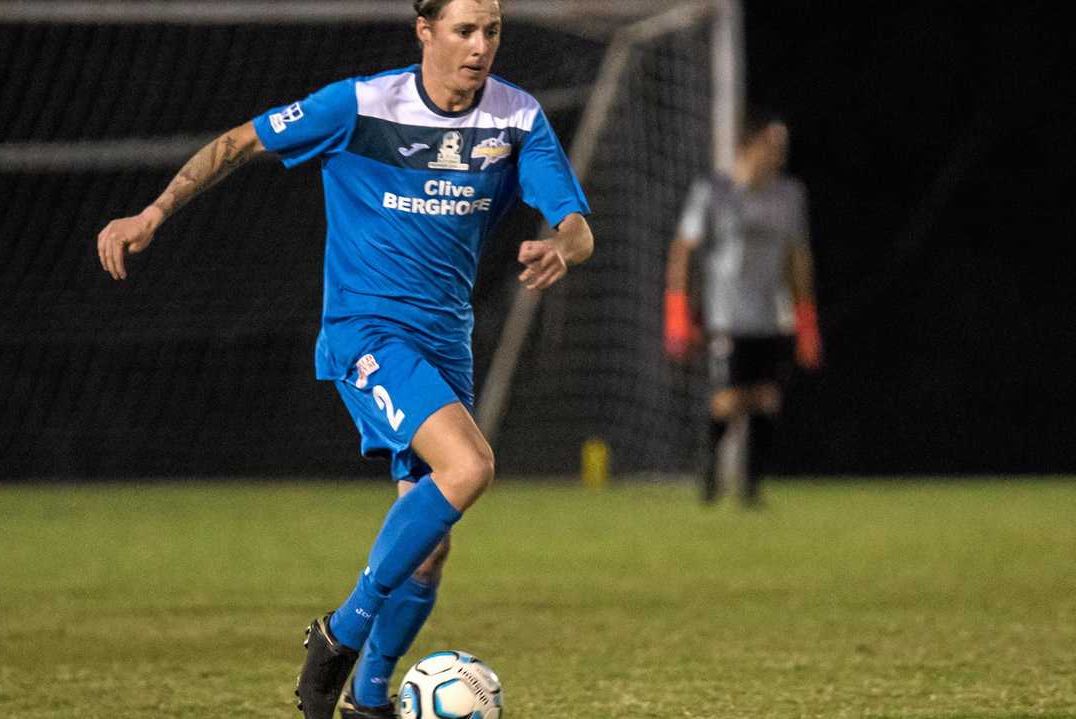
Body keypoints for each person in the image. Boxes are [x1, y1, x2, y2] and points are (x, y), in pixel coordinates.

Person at [95, 1, 593, 717]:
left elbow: (576, 225)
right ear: (425, 32)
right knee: (470, 466)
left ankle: (366, 699)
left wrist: (561, 247)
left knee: (429, 552)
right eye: (463, 30)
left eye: (491, 31)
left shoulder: (515, 118)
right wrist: (154, 211)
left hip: (446, 340)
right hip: (368, 333)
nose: (480, 46)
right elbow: (240, 143)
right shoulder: (359, 105)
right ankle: (342, 629)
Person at [663, 109, 821, 506]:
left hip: (771, 314)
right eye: (772, 145)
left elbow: (797, 258)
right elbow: (684, 248)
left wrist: (806, 319)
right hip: (726, 314)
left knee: (767, 398)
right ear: (747, 146)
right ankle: (709, 472)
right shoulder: (713, 191)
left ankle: (751, 486)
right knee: (730, 398)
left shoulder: (789, 195)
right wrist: (678, 311)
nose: (779, 154)